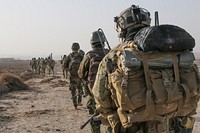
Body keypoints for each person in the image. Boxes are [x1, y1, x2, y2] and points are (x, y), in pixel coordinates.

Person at [92, 4, 198, 133]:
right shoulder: (176, 52)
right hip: (176, 124)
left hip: (134, 126)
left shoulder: (114, 56)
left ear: (122, 26)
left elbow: (101, 98)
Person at [78, 30, 111, 133]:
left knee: (95, 119)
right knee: (111, 118)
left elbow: (80, 73)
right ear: (104, 41)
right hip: (111, 93)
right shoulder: (111, 53)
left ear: (92, 43)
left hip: (94, 94)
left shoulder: (89, 56)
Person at [65, 42, 84, 109]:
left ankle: (75, 104)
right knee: (80, 89)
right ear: (78, 48)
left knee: (73, 90)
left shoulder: (69, 56)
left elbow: (65, 65)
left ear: (72, 48)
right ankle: (79, 101)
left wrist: (69, 70)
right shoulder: (81, 56)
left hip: (72, 76)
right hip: (79, 76)